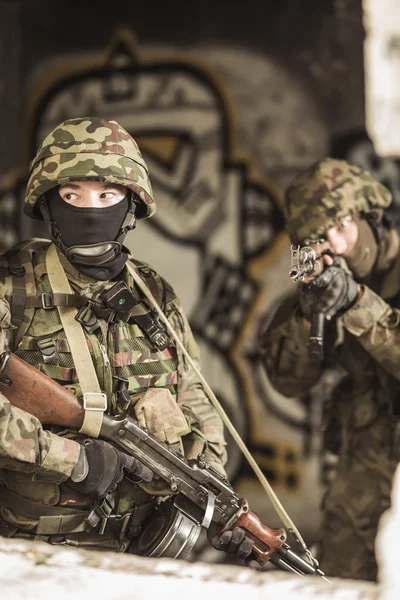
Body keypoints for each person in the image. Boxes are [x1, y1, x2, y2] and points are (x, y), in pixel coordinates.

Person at [0, 117, 252, 560]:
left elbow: (195, 395)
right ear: (47, 204)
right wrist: (71, 460)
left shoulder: (154, 294)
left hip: (142, 550)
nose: (90, 209)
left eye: (107, 195)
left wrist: (211, 488)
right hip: (37, 552)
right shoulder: (11, 288)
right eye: (71, 195)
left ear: (131, 205)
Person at [259, 157, 400, 581]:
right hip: (368, 447)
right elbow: (285, 379)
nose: (336, 246)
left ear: (370, 216)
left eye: (342, 226)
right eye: (320, 237)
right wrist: (308, 316)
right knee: (344, 559)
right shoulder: (326, 284)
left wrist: (358, 304)